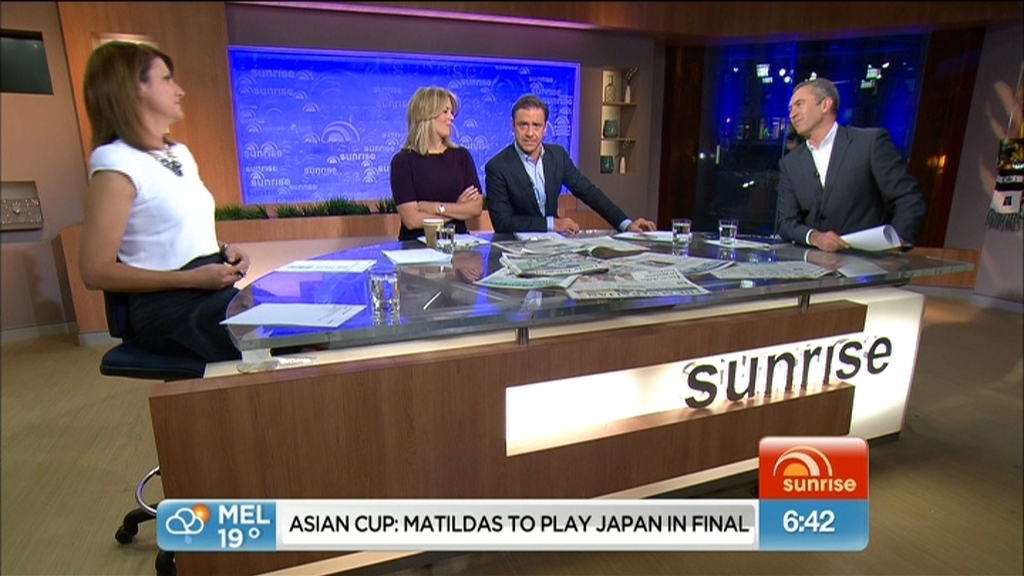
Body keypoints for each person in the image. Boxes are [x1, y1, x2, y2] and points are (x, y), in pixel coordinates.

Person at [78, 41, 249, 363]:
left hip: (213, 293)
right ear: (134, 88)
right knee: (288, 337)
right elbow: (94, 271)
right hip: (171, 308)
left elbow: (166, 230)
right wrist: (191, 279)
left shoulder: (179, 154)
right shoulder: (114, 162)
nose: (179, 90)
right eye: (167, 79)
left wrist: (223, 248)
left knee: (303, 325)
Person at [775, 77, 927, 252]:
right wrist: (815, 237)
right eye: (790, 109)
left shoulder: (869, 143)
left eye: (799, 104)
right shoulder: (790, 163)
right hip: (816, 261)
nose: (792, 114)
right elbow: (786, 223)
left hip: (869, 260)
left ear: (825, 105)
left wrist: (896, 242)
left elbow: (908, 198)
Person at [484, 94, 656, 234]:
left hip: (552, 246)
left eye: (536, 125)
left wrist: (625, 223)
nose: (530, 133)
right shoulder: (497, 167)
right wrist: (552, 224)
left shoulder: (557, 156)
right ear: (513, 126)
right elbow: (502, 222)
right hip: (515, 249)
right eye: (523, 125)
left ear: (545, 128)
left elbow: (588, 192)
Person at [390, 87, 483, 241]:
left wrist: (435, 208)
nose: (451, 117)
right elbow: (412, 220)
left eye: (451, 112)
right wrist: (456, 210)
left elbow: (475, 208)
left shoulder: (461, 156)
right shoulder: (402, 162)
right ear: (426, 115)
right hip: (417, 247)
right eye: (445, 111)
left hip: (459, 243)